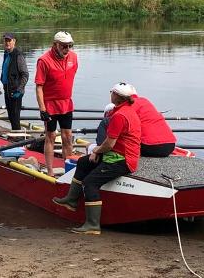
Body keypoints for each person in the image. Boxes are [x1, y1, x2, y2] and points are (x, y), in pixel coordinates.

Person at [52, 83, 141, 235]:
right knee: (82, 162)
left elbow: (109, 143)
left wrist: (96, 151)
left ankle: (93, 225)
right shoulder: (124, 110)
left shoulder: (120, 115)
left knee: (90, 183)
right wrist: (97, 152)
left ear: (117, 96)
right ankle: (71, 200)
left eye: (111, 92)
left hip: (122, 160)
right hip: (115, 154)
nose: (110, 94)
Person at [34, 31, 78, 177]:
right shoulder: (44, 60)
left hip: (66, 104)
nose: (67, 49)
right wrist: (42, 109)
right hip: (50, 106)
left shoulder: (73, 57)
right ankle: (50, 171)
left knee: (67, 136)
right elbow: (39, 86)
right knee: (51, 136)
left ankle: (69, 172)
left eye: (69, 46)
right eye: (64, 46)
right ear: (55, 45)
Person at [95, 85, 176, 157]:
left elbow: (112, 121)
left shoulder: (126, 106)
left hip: (150, 147)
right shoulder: (144, 101)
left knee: (106, 122)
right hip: (170, 145)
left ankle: (99, 151)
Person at [0, 32, 29, 130]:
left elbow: (25, 74)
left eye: (9, 40)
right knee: (11, 117)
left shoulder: (18, 55)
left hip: (15, 91)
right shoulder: (6, 53)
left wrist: (20, 90)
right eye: (5, 40)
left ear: (14, 41)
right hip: (7, 90)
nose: (7, 43)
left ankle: (18, 139)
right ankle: (14, 136)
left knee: (15, 118)